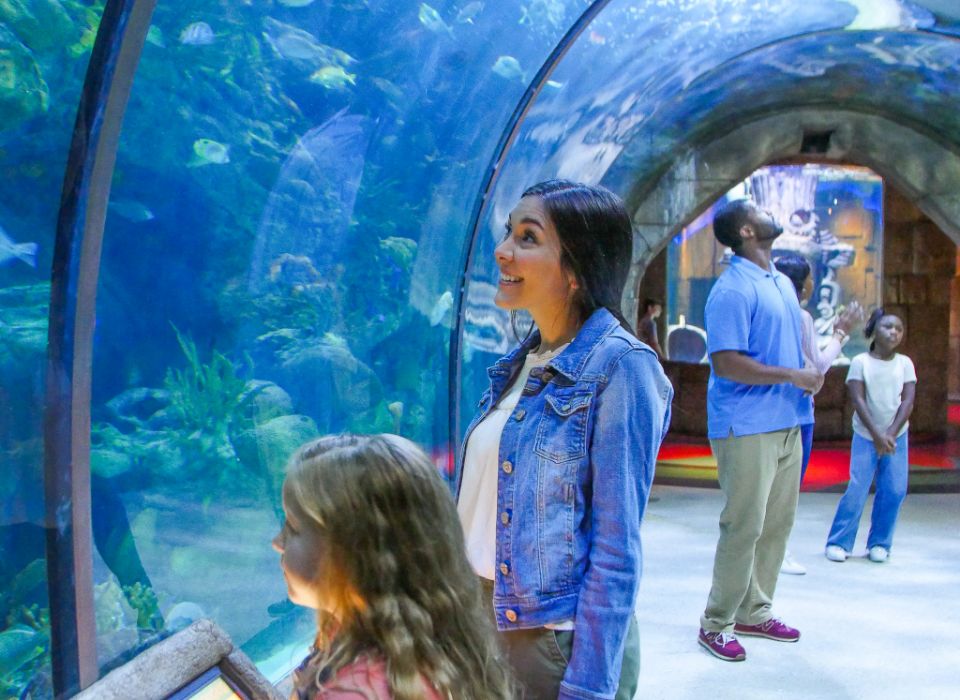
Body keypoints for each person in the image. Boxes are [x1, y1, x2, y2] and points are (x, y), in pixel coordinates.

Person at [456, 180, 672, 699]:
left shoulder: (622, 368)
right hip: (483, 624)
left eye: (528, 238)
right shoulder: (520, 362)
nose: (502, 250)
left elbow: (617, 549)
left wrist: (590, 686)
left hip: (553, 643)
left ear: (575, 268)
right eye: (509, 232)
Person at [272, 433, 513, 700]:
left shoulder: (355, 692)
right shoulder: (426, 637)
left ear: (355, 553)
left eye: (293, 528)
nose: (277, 542)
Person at [698, 199, 822, 663]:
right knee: (743, 526)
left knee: (776, 525)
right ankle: (716, 621)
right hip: (746, 425)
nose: (771, 213)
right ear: (747, 230)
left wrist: (807, 368)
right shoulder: (731, 290)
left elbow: (789, 350)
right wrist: (792, 376)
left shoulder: (780, 284)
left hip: (789, 420)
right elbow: (727, 363)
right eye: (761, 210)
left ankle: (756, 609)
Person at [773, 254, 863, 575]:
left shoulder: (766, 314)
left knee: (767, 491)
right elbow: (818, 367)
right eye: (810, 276)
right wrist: (840, 333)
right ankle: (777, 553)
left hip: (766, 413)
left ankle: (766, 551)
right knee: (786, 490)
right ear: (802, 284)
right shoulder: (800, 317)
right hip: (797, 413)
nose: (814, 281)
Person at [825, 310, 915, 564]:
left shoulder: (905, 363)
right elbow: (858, 400)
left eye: (899, 328)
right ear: (875, 330)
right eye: (888, 327)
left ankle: (880, 542)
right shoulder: (860, 362)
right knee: (857, 488)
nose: (894, 332)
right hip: (866, 435)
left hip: (896, 436)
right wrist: (877, 434)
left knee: (895, 489)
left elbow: (907, 401)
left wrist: (890, 433)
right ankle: (839, 541)